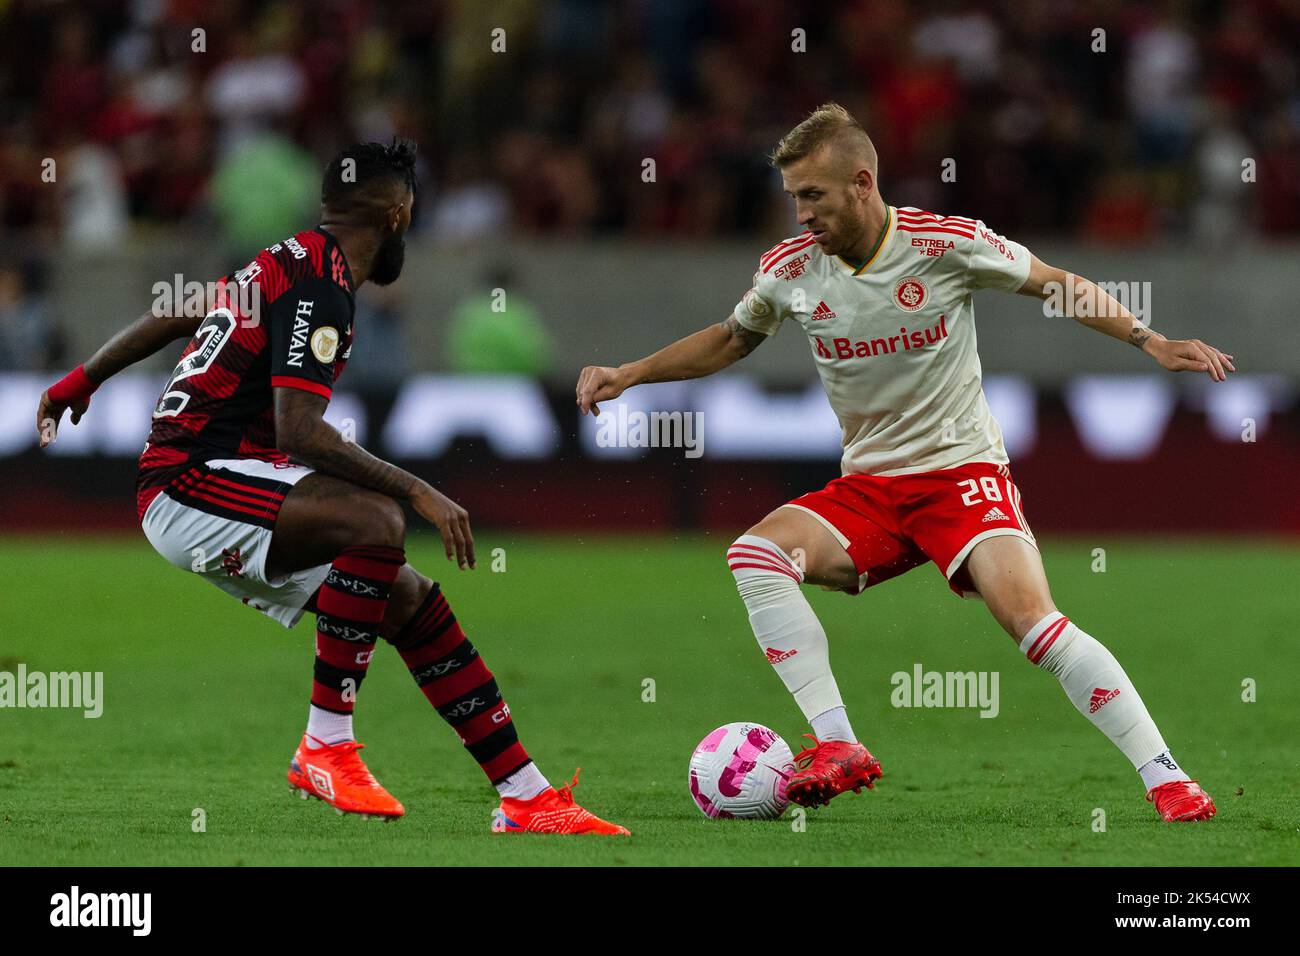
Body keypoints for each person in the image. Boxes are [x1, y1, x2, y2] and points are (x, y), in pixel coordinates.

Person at [576, 104, 1234, 823]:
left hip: (961, 475)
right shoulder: (788, 270)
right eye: (793, 197)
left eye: (813, 196)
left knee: (1034, 625)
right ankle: (838, 745)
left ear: (861, 183)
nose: (800, 214)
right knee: (756, 556)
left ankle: (1168, 778)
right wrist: (631, 372)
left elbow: (1052, 282)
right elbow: (732, 340)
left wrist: (1151, 341)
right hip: (869, 488)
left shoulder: (942, 244)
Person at [37, 139, 627, 836]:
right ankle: (324, 745)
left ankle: (527, 796)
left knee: (410, 599)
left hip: (221, 476)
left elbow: (181, 309)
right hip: (189, 483)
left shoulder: (286, 260)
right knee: (376, 519)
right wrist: (418, 491)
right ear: (399, 215)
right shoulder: (323, 286)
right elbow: (299, 431)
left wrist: (82, 379)